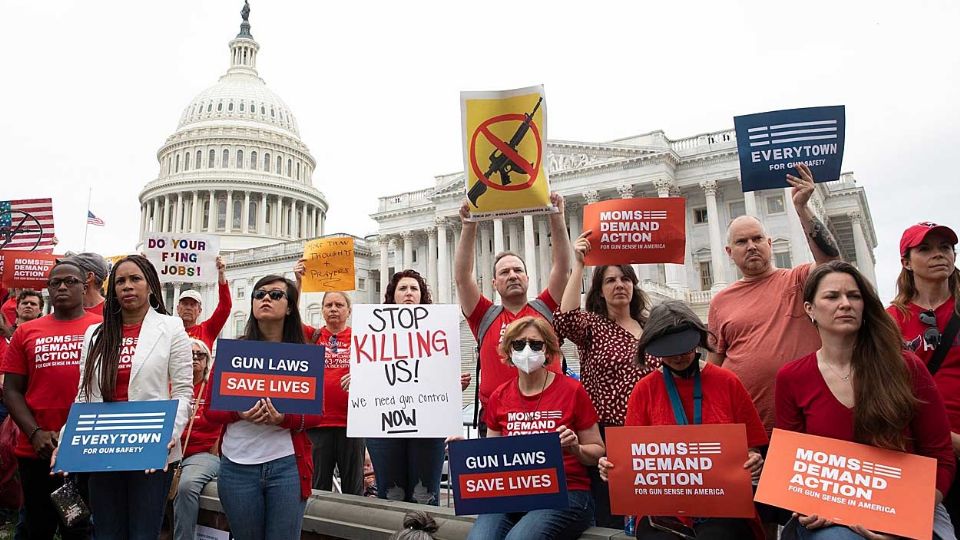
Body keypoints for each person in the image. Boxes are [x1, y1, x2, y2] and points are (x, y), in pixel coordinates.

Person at [777, 261, 956, 539]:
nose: (845, 304)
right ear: (809, 309)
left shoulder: (906, 367)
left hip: (911, 507)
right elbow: (791, 464)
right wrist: (808, 506)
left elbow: (941, 456)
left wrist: (903, 521)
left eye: (854, 296)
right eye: (832, 296)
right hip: (829, 518)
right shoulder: (791, 377)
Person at [598, 301, 767, 539]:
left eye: (685, 349)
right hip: (663, 510)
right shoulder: (644, 390)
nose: (679, 357)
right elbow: (630, 457)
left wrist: (753, 458)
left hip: (721, 504)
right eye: (669, 351)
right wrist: (612, 468)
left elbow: (752, 446)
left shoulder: (727, 381)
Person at [63, 254, 194, 540]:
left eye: (135, 279)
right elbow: (84, 394)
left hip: (151, 449)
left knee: (143, 532)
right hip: (103, 448)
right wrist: (66, 439)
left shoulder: (172, 328)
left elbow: (184, 392)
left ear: (150, 286)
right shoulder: (95, 334)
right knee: (107, 531)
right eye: (120, 280)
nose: (127, 286)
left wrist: (170, 433)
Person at [708, 163, 841, 434]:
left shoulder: (799, 279)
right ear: (729, 252)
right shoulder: (720, 302)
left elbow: (830, 262)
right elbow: (715, 366)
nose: (751, 246)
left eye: (757, 239)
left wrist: (803, 208)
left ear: (769, 244)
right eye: (742, 242)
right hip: (752, 428)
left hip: (808, 422)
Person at [203, 275, 322, 540]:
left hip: (287, 466)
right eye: (259, 294)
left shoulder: (304, 353)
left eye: (276, 295)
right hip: (237, 467)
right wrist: (238, 413)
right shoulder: (233, 353)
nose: (266, 298)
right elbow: (209, 411)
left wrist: (283, 418)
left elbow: (315, 415)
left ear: (290, 307)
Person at [554, 230, 659, 528]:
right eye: (610, 280)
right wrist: (579, 265)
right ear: (599, 290)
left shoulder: (650, 326)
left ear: (633, 285)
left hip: (650, 433)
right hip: (608, 432)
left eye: (625, 279)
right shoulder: (593, 327)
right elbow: (566, 318)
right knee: (610, 515)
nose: (619, 286)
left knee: (651, 515)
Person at [467, 316, 604, 540]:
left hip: (567, 492)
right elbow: (491, 455)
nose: (527, 350)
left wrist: (576, 448)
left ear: (548, 351)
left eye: (535, 344)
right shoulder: (499, 397)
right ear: (509, 352)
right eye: (519, 344)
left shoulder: (572, 390)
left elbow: (597, 450)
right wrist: (466, 452)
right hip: (512, 492)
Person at [454, 194, 572, 434]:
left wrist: (557, 218)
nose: (512, 275)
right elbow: (463, 278)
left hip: (547, 416)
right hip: (499, 421)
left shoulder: (545, 308)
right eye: (505, 272)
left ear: (528, 279)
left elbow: (561, 267)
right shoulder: (483, 315)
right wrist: (469, 225)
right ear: (494, 283)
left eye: (518, 270)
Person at [1, 261, 101, 540]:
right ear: (48, 290)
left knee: (79, 528)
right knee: (37, 527)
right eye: (55, 283)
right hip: (37, 451)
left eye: (70, 281)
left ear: (85, 285)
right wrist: (34, 433)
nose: (62, 287)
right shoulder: (26, 332)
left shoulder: (103, 328)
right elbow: (11, 390)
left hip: (85, 450)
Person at [365, 269, 471, 506]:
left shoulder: (437, 332)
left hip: (427, 424)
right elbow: (367, 372)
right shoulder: (373, 330)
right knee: (391, 493)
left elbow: (438, 378)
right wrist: (358, 381)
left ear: (422, 295)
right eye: (403, 289)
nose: (409, 293)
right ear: (393, 296)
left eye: (414, 289)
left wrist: (452, 389)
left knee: (425, 493)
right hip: (385, 424)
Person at [887, 222, 960, 531]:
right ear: (906, 261)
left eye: (945, 247)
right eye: (926, 249)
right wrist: (948, 440)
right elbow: (888, 389)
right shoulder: (890, 321)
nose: (938, 255)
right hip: (923, 452)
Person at [172, 338, 222, 540]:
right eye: (189, 354)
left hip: (202, 454)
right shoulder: (168, 386)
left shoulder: (213, 388)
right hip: (169, 453)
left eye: (199, 355)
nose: (194, 359)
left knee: (186, 486)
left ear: (207, 361)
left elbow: (223, 424)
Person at [176, 256, 231, 350]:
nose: (188, 308)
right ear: (177, 308)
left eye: (193, 305)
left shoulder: (207, 330)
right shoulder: (170, 332)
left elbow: (225, 307)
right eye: (185, 304)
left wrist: (221, 274)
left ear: (199, 311)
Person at [64, 252, 110, 316]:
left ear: (89, 277)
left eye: (72, 270)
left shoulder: (113, 312)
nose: (63, 276)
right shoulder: (64, 310)